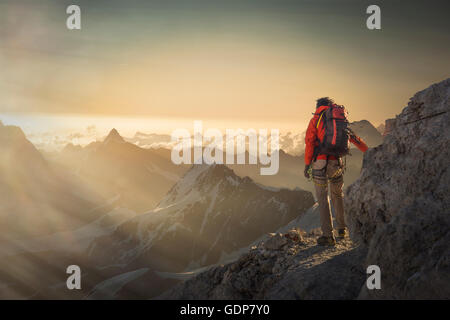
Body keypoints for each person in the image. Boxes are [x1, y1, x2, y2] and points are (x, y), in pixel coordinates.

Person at [304, 97, 368, 246]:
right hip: (336, 162)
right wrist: (368, 151)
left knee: (322, 197)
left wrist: (307, 165)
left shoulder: (316, 119)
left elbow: (309, 143)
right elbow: (352, 137)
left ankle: (328, 236)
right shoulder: (339, 118)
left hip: (320, 162)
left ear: (318, 106)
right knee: (337, 194)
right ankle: (342, 229)